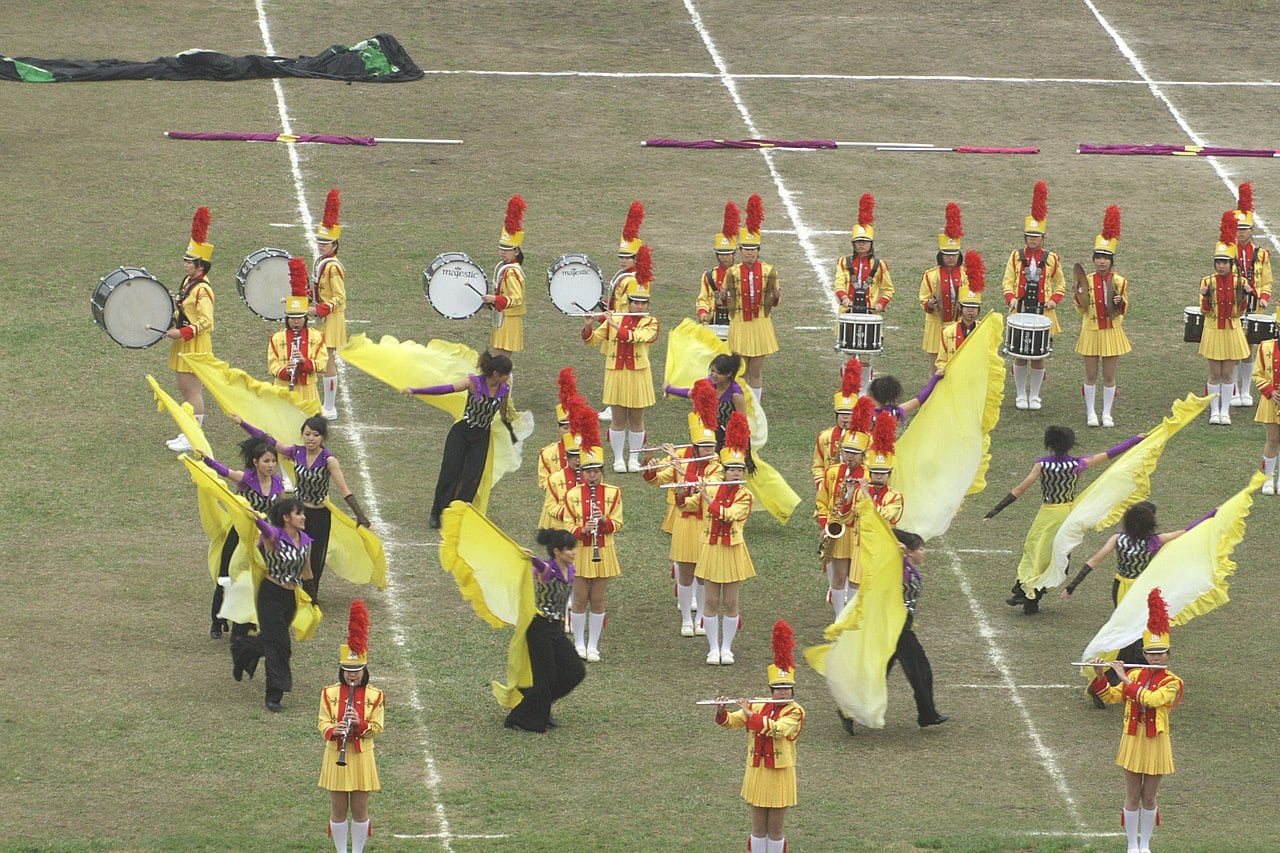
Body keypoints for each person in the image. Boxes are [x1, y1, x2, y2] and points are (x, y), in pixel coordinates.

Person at [984, 425, 1143, 614]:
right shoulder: (1078, 464)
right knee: (1056, 555)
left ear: (1049, 444)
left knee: (1035, 551)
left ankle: (1026, 590)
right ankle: (1032, 594)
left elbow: (1019, 490)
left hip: (1047, 514)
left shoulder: (1042, 465)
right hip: (1067, 514)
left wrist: (994, 511)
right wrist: (1135, 440)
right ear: (1070, 444)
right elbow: (1110, 453)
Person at [235, 414, 370, 602]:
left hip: (320, 514)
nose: (310, 438)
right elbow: (268, 440)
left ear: (322, 437)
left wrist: (360, 514)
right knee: (292, 551)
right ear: (302, 435)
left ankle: (310, 597)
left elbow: (344, 489)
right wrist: (243, 423)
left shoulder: (329, 460)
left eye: (315, 434)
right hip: (297, 513)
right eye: (307, 434)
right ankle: (291, 592)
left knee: (314, 557)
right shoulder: (295, 452)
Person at [1087, 590, 1183, 853]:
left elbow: (1151, 700)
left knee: (1149, 797)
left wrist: (1125, 679)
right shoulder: (1137, 672)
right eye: (1151, 653)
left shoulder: (1172, 682)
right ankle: (1131, 845)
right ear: (1144, 653)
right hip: (1133, 739)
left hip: (1156, 742)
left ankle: (1146, 844)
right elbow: (1108, 696)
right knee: (1132, 796)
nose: (1156, 658)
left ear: (1168, 654)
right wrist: (1100, 673)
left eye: (1160, 653)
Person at [1061, 502, 1196, 668]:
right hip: (1143, 589)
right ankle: (1141, 660)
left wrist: (1072, 586)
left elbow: (1094, 560)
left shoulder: (1118, 539)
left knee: (1124, 623)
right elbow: (1184, 532)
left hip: (1121, 587)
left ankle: (1123, 660)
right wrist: (1210, 517)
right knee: (1142, 624)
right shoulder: (1155, 540)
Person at [713, 620, 804, 853]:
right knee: (757, 828)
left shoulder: (795, 711)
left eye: (787, 687)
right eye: (778, 687)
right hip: (757, 771)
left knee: (775, 828)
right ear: (771, 689)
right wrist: (722, 711)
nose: (783, 691)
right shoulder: (759, 704)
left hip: (780, 773)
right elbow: (733, 722)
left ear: (793, 690)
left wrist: (750, 713)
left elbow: (778, 729)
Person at [642, 380, 721, 637]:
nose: (709, 451)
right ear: (695, 445)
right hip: (685, 523)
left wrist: (680, 467)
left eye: (711, 447)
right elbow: (658, 480)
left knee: (702, 572)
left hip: (707, 523)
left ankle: (700, 617)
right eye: (704, 447)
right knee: (685, 572)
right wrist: (652, 467)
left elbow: (707, 489)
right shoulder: (681, 458)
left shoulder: (717, 466)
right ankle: (687, 618)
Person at [404, 351, 516, 529]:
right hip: (462, 433)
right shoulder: (473, 383)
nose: (508, 377)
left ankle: (458, 514)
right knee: (450, 472)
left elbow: (503, 412)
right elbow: (446, 389)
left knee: (471, 478)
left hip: (481, 437)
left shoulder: (504, 389)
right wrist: (416, 391)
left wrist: (510, 428)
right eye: (506, 374)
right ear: (496, 373)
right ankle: (437, 511)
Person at [193, 438, 289, 639]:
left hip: (262, 540)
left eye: (273, 461)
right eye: (266, 461)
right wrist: (206, 460)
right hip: (238, 534)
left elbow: (281, 513)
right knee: (225, 577)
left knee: (260, 580)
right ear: (256, 462)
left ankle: (253, 620)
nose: (271, 465)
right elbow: (224, 472)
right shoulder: (246, 479)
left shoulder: (278, 484)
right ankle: (217, 622)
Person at [582, 248, 659, 473]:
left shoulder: (650, 322)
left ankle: (634, 459)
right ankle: (618, 458)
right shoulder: (615, 317)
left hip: (638, 373)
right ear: (629, 303)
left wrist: (615, 324)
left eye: (643, 303)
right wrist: (588, 325)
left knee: (636, 419)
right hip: (615, 371)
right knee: (617, 418)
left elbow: (638, 338)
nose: (639, 307)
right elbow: (593, 341)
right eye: (635, 302)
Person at [686, 412, 754, 664]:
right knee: (711, 601)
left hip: (732, 550)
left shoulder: (745, 496)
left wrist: (706, 498)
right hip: (711, 549)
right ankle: (713, 648)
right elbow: (687, 507)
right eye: (731, 470)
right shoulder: (712, 487)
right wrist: (684, 493)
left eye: (739, 470)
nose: (735, 474)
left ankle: (727, 648)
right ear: (724, 471)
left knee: (731, 602)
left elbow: (729, 515)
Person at [503, 529, 586, 732]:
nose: (573, 553)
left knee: (575, 670)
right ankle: (519, 718)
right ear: (557, 551)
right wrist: (529, 557)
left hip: (555, 627)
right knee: (545, 678)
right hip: (539, 627)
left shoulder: (571, 569)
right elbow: (538, 565)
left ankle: (540, 706)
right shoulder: (547, 569)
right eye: (569, 550)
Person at [319, 600, 384, 853]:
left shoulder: (375, 695)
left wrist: (362, 724)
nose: (352, 675)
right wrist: (334, 729)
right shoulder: (329, 693)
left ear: (364, 669)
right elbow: (322, 721)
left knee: (360, 808)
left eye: (356, 670)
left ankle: (357, 851)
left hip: (362, 756)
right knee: (337, 808)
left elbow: (378, 726)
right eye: (347, 670)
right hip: (336, 754)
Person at [558, 419, 623, 662]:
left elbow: (618, 524)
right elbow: (566, 526)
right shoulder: (572, 494)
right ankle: (578, 644)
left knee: (597, 598)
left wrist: (604, 521)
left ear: (602, 472)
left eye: (596, 471)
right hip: (580, 551)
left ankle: (593, 645)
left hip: (603, 550)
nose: (592, 475)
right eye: (588, 471)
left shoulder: (613, 493)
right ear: (582, 472)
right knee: (579, 597)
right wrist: (583, 529)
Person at [1001, 181, 1066, 410]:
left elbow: (1061, 283)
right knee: (1019, 353)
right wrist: (1011, 299)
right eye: (1029, 236)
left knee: (1039, 355)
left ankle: (1035, 395)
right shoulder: (1015, 255)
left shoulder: (1051, 258)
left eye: (1036, 237)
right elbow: (1007, 280)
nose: (1032, 240)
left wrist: (1053, 301)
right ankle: (1020, 394)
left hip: (1042, 312)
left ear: (1043, 238)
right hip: (1020, 311)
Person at [164, 206, 215, 452]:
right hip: (184, 341)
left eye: (189, 261)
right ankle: (189, 432)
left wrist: (181, 332)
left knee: (192, 391)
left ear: (200, 265)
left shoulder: (203, 289)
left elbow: (206, 322)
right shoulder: (188, 282)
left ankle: (194, 436)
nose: (185, 264)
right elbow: (184, 311)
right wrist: (172, 321)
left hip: (193, 343)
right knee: (185, 389)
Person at [255, 497, 313, 711]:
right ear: (286, 517)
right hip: (270, 595)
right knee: (279, 646)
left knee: (273, 641)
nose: (303, 517)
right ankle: (274, 694)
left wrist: (312, 600)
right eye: (299, 513)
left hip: (290, 599)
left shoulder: (305, 541)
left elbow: (307, 573)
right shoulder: (274, 537)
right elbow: (265, 529)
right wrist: (256, 518)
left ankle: (245, 649)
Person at [815, 400, 873, 617]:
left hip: (858, 533)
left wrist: (858, 494)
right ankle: (839, 619)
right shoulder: (831, 473)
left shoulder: (869, 476)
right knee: (838, 578)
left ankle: (854, 619)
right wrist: (824, 525)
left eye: (854, 453)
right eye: (847, 451)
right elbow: (821, 502)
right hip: (838, 530)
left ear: (863, 454)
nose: (849, 456)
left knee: (856, 580)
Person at [1075, 206, 1131, 427]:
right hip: (1090, 331)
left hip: (1111, 332)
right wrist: (1078, 296)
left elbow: (1124, 309)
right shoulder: (1086, 280)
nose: (1101, 262)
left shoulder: (1119, 281)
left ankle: (1107, 413)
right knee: (1090, 375)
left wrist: (1119, 303)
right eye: (1098, 257)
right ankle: (1091, 412)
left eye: (1105, 258)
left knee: (1109, 375)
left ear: (1111, 260)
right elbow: (1081, 308)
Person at [886, 530, 947, 729]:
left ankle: (848, 712)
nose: (924, 552)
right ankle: (927, 713)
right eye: (920, 548)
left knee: (879, 672)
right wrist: (899, 554)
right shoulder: (900, 568)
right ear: (909, 552)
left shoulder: (906, 566)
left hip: (898, 624)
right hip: (899, 626)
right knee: (921, 671)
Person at [724, 194, 780, 405]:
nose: (749, 253)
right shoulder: (732, 272)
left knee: (755, 370)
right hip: (739, 323)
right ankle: (739, 407)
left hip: (760, 323)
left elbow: (773, 301)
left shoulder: (769, 270)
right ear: (740, 251)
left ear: (758, 250)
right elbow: (726, 301)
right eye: (745, 249)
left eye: (752, 249)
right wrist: (722, 297)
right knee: (739, 370)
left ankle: (754, 408)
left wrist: (775, 297)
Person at [1200, 211, 1251, 425]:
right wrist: (1203, 296)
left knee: (1228, 374)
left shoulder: (1240, 282)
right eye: (1217, 261)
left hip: (1232, 330)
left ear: (1231, 263)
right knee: (1214, 373)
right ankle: (1214, 411)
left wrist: (1247, 294)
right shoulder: (1207, 281)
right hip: (1213, 329)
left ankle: (1225, 411)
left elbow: (1240, 310)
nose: (1220, 265)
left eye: (1224, 262)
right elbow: (1205, 310)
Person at [834, 193, 894, 364]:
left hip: (870, 314)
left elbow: (889, 289)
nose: (861, 244)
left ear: (871, 244)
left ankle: (864, 389)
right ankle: (848, 388)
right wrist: (844, 298)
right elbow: (838, 284)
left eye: (865, 241)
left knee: (867, 358)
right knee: (848, 357)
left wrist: (880, 304)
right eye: (858, 241)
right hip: (848, 313)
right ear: (853, 243)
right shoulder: (843, 262)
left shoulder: (879, 265)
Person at [1232, 182, 1272, 407]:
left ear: (1251, 231)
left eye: (1244, 229)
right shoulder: (1226, 252)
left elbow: (1266, 281)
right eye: (1238, 230)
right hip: (1233, 306)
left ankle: (1245, 390)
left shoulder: (1262, 254)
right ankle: (1234, 388)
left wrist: (1263, 297)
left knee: (1249, 348)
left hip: (1253, 306)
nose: (1241, 233)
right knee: (1233, 348)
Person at [271, 257, 328, 405]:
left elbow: (322, 364)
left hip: (307, 391)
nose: (296, 321)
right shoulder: (277, 338)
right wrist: (286, 371)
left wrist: (304, 362)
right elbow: (272, 366)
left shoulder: (317, 337)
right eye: (292, 318)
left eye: (299, 318)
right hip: (282, 389)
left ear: (305, 318)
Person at [311, 188, 348, 420]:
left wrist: (320, 309)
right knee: (322, 359)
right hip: (323, 316)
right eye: (319, 241)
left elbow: (340, 297)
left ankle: (330, 407)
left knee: (328, 360)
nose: (320, 245)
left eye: (325, 242)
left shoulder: (333, 266)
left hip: (331, 317)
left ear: (334, 244)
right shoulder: (322, 261)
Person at [665, 353, 747, 452]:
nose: (714, 375)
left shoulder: (736, 394)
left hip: (729, 439)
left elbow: (741, 422)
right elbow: (692, 393)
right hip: (710, 433)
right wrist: (669, 389)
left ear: (728, 374)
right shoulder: (709, 383)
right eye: (712, 371)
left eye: (719, 373)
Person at [919, 202, 967, 370]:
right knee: (935, 364)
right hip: (936, 324)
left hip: (957, 323)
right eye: (947, 255)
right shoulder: (930, 275)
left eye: (954, 254)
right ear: (941, 255)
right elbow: (923, 298)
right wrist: (929, 305)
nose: (951, 258)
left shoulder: (965, 275)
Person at [484, 194, 527, 358]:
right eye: (501, 248)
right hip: (502, 317)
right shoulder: (504, 268)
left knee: (501, 363)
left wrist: (494, 300)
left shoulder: (511, 271)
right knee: (497, 361)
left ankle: (506, 385)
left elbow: (516, 298)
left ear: (516, 250)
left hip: (509, 320)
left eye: (507, 249)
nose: (502, 252)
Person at [933, 251, 986, 376]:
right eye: (967, 307)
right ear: (960, 308)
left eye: (973, 308)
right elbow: (941, 359)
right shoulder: (948, 332)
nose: (970, 311)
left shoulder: (983, 330)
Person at [811, 358, 860, 490]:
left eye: (849, 414)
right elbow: (818, 465)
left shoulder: (864, 438)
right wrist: (822, 484)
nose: (845, 417)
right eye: (842, 413)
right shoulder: (824, 437)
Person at [696, 201, 740, 332]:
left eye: (727, 254)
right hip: (712, 323)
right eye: (721, 254)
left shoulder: (741, 274)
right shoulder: (708, 276)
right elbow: (702, 299)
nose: (724, 257)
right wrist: (703, 313)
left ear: (734, 254)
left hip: (736, 324)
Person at [865, 415, 904, 527]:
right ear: (870, 474)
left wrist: (867, 496)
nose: (879, 476)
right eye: (876, 473)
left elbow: (883, 516)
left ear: (889, 474)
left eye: (883, 473)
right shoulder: (860, 492)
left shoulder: (895, 497)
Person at [1253, 333, 1280, 495]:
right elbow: (1257, 374)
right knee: (1272, 440)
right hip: (1271, 402)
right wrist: (1270, 391)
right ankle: (1268, 478)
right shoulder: (1265, 346)